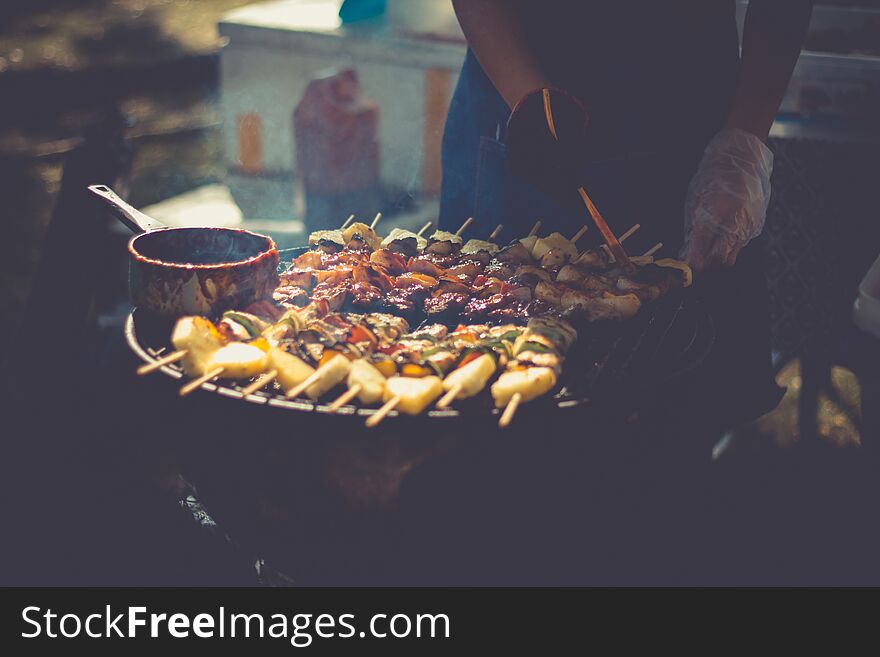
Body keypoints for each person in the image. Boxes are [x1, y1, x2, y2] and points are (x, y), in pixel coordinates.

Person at [440, 0, 814, 433]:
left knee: (676, 410)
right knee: (490, 394)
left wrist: (743, 141)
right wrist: (531, 101)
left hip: (688, 122)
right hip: (518, 91)